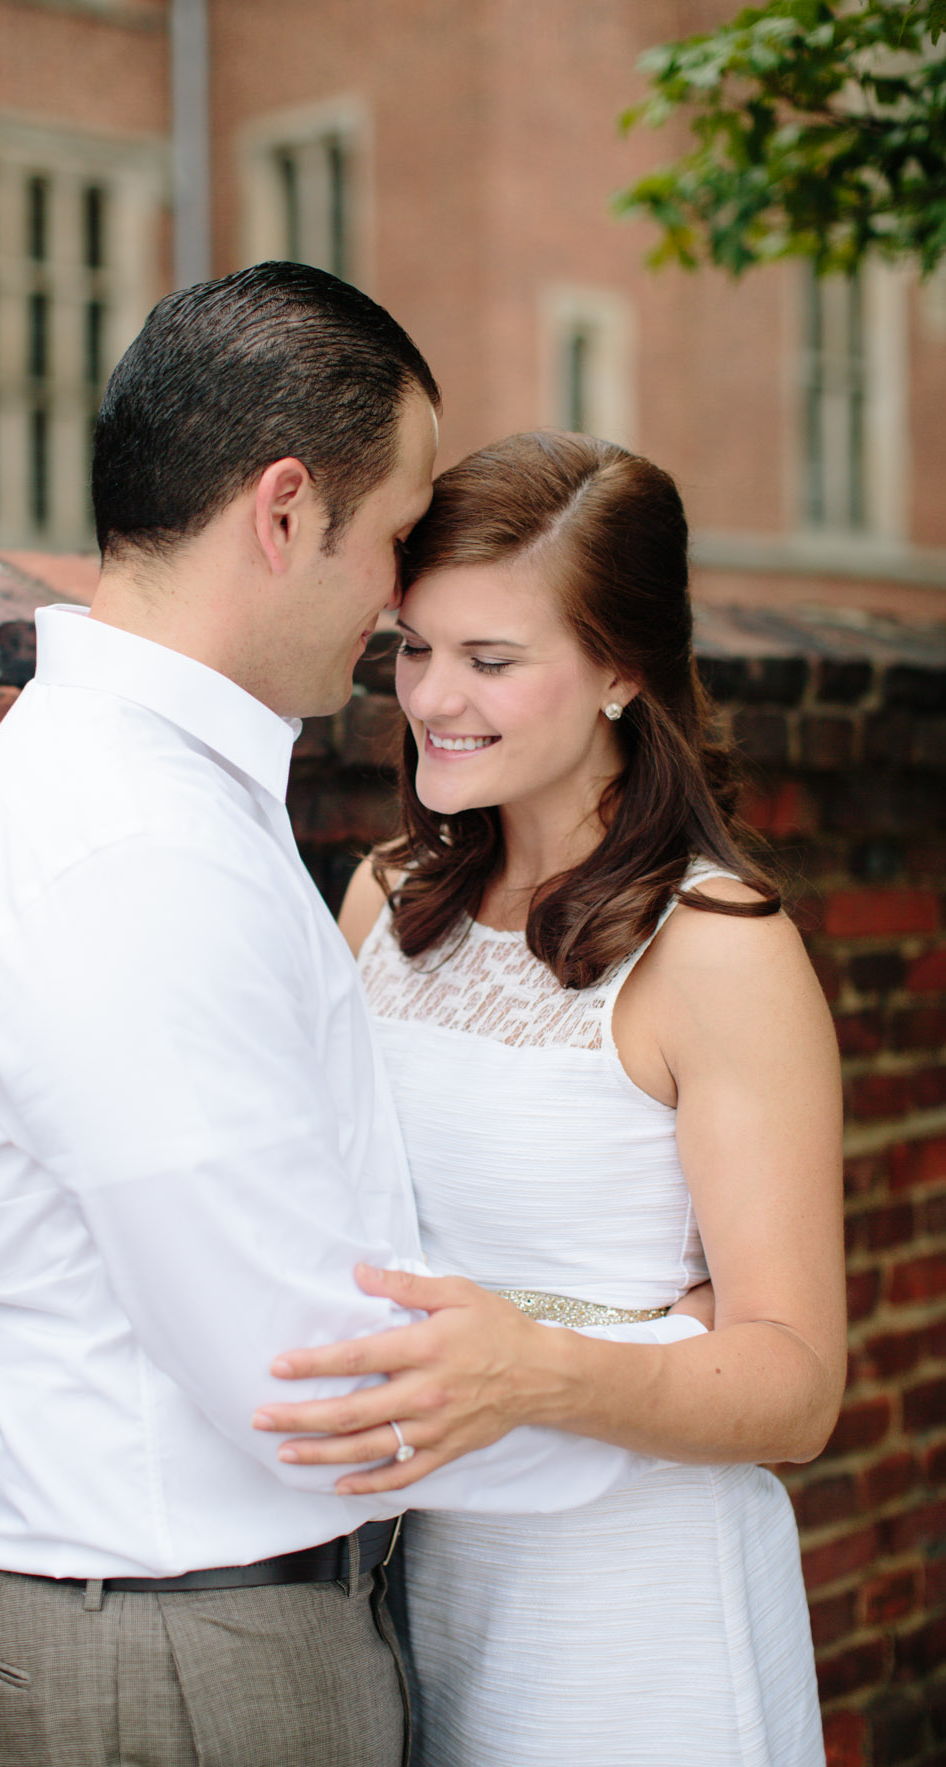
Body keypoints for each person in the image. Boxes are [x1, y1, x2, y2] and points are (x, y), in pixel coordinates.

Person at [0, 263, 705, 1766]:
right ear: (283, 512)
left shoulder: (154, 794)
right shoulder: (134, 843)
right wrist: (656, 1365)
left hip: (201, 1626)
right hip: (191, 1655)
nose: (403, 599)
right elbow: (311, 1381)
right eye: (397, 534)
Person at [253, 432, 838, 1763]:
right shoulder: (384, 897)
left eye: (491, 658)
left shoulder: (718, 947)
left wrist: (537, 1364)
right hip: (408, 1590)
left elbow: (797, 1385)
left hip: (637, 1618)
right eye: (415, 647)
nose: (432, 696)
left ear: (622, 670)